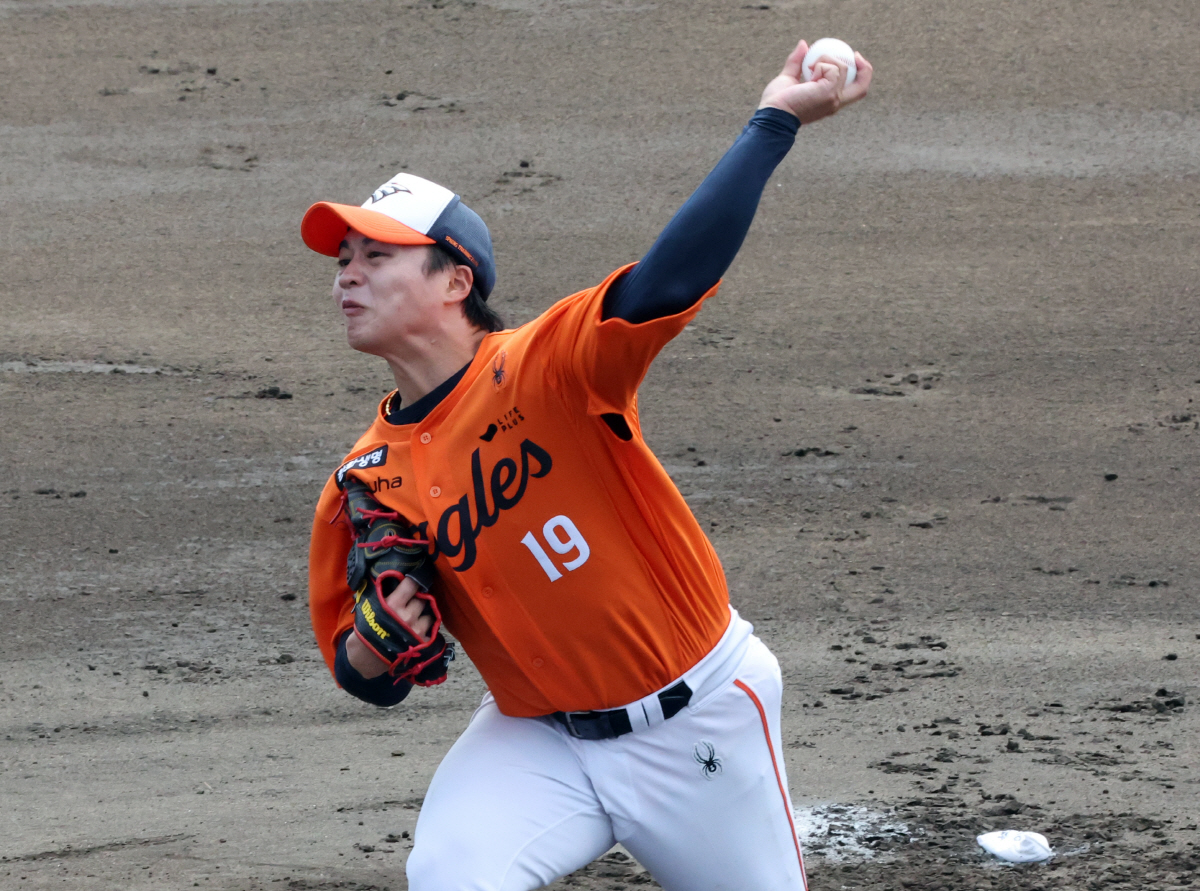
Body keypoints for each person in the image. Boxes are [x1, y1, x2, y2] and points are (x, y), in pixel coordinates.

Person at [302, 36, 872, 891]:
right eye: (343, 260)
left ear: (456, 280)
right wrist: (383, 643)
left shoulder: (550, 365)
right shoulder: (364, 477)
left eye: (376, 256)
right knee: (452, 874)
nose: (347, 276)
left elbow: (673, 275)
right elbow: (361, 673)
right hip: (535, 737)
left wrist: (775, 121)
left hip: (700, 715)